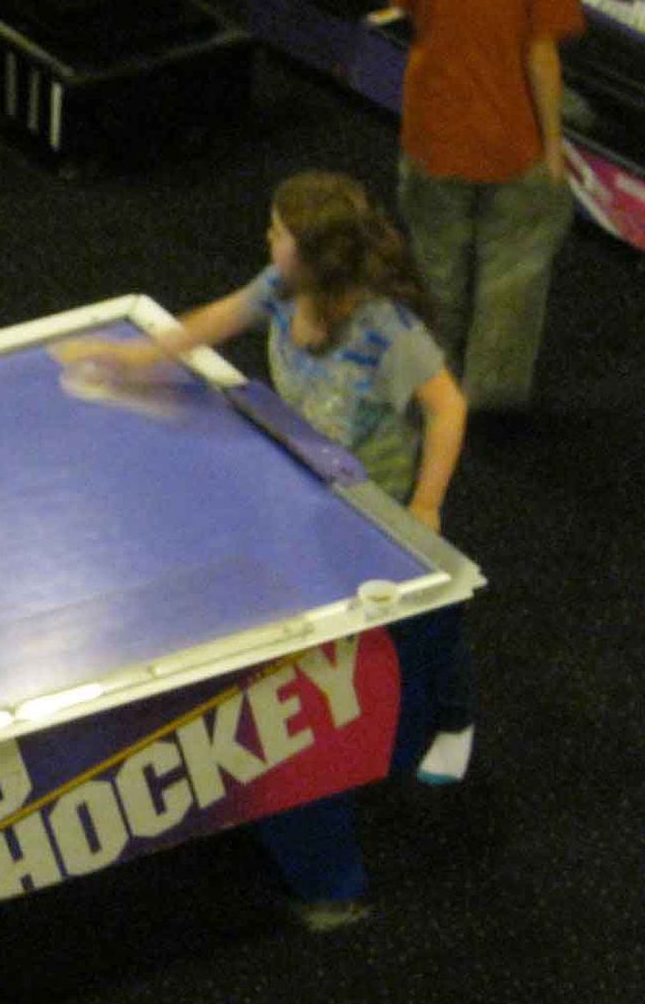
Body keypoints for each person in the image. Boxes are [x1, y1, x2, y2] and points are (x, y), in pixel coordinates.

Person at [56, 170, 476, 926]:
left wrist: (426, 504)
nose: (267, 237)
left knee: (425, 616)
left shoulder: (386, 329)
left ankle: (452, 715)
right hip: (309, 482)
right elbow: (216, 319)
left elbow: (447, 408)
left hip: (374, 505)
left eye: (277, 230)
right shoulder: (280, 289)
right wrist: (133, 361)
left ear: (311, 252)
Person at [387, 0, 587, 411]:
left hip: (434, 131)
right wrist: (552, 144)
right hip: (511, 140)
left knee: (434, 261)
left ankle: (432, 378)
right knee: (514, 269)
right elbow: (542, 57)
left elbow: (406, 4)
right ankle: (491, 393)